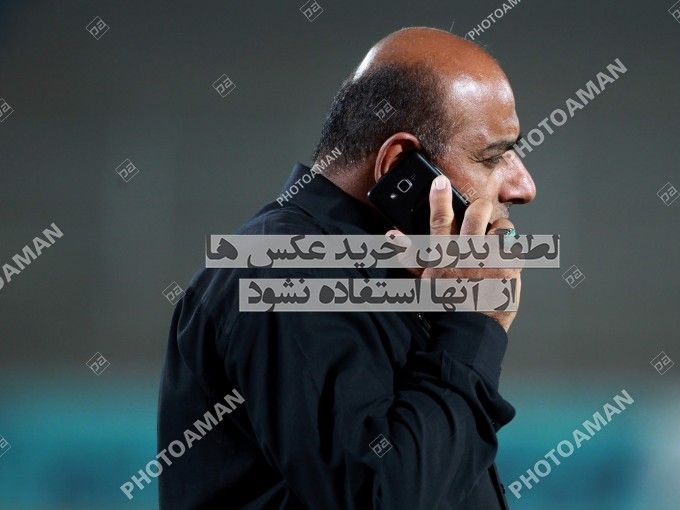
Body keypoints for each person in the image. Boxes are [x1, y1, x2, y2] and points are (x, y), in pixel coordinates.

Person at [158, 26, 536, 509]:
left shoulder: (384, 274)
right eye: (494, 156)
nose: (523, 186)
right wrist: (472, 327)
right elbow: (380, 498)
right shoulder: (283, 268)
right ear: (399, 165)